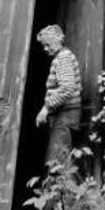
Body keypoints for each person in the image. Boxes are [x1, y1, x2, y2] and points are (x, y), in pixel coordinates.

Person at [35, 24, 82, 166]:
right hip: (64, 115)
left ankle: (65, 189)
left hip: (65, 115)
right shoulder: (61, 57)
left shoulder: (63, 58)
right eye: (44, 45)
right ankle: (68, 188)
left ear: (58, 40)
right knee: (61, 160)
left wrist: (45, 109)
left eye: (48, 44)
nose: (45, 48)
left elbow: (67, 88)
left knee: (58, 164)